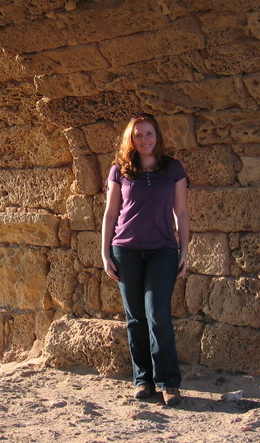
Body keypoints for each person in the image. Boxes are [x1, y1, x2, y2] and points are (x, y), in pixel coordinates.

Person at [101, 113, 190, 406]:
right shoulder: (120, 171)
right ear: (131, 139)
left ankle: (168, 382)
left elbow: (182, 213)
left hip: (163, 250)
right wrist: (105, 252)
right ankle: (143, 380)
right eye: (138, 135)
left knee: (158, 315)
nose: (144, 139)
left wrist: (185, 251)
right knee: (136, 318)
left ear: (157, 136)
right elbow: (111, 214)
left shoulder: (173, 169)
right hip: (125, 250)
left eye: (149, 134)